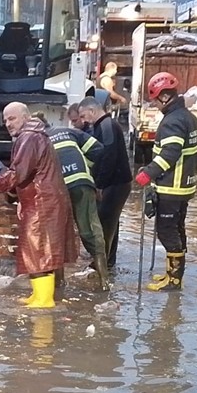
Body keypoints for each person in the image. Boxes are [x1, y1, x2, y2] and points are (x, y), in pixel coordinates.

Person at [0, 102, 75, 307]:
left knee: (38, 249)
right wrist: (22, 198)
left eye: (12, 118)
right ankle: (39, 294)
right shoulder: (35, 135)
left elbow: (18, 173)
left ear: (25, 116)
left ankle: (44, 298)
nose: (7, 123)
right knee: (38, 248)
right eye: (5, 119)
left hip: (42, 202)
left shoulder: (29, 137)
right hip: (42, 200)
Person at [134, 72, 197, 292]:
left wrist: (148, 173)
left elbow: (170, 153)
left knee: (167, 231)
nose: (155, 104)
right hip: (183, 186)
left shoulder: (173, 121)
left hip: (172, 186)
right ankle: (174, 277)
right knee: (177, 229)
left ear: (163, 97)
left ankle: (173, 280)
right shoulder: (187, 116)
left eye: (155, 99)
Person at [46, 123, 109, 290]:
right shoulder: (69, 131)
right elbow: (98, 149)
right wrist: (85, 166)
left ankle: (59, 283)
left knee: (57, 234)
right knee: (91, 230)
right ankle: (105, 282)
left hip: (59, 189)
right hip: (82, 183)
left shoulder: (40, 138)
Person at [77, 97, 132, 270]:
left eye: (84, 115)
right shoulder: (105, 125)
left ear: (92, 111)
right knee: (110, 221)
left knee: (104, 222)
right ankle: (109, 260)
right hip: (116, 182)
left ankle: (102, 263)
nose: (84, 120)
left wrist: (99, 185)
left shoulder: (106, 125)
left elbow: (108, 156)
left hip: (115, 183)